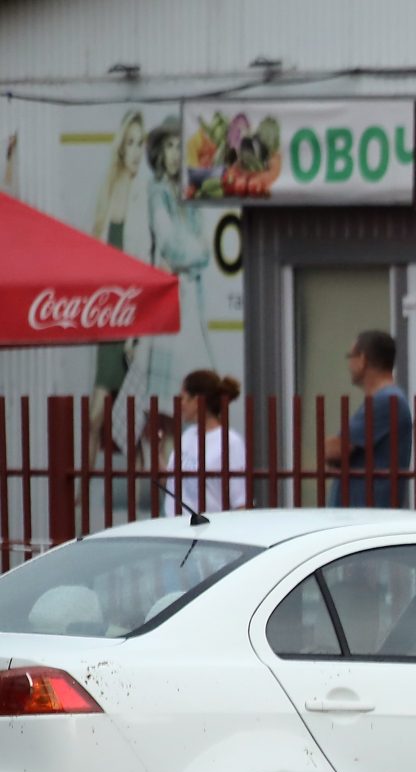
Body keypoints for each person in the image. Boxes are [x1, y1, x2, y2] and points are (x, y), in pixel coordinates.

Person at [132, 119, 218, 407]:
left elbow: (205, 252)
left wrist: (188, 255)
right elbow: (170, 244)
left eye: (180, 147)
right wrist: (189, 253)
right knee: (167, 404)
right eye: (169, 146)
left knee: (195, 395)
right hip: (170, 302)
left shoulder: (189, 193)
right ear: (159, 152)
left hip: (190, 301)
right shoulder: (157, 192)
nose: (174, 154)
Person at [84, 112, 147, 461]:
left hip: (134, 319)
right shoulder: (108, 193)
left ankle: (147, 507)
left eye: (141, 143)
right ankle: (79, 495)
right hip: (111, 317)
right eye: (132, 143)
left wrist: (136, 336)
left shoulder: (144, 193)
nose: (137, 151)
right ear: (121, 148)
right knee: (96, 414)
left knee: (133, 426)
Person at [322, 330, 412, 507]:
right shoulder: (385, 399)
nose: (349, 364)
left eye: (351, 356)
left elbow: (336, 450)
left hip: (364, 514)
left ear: (362, 360)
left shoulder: (385, 400)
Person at [159, 370, 249, 516]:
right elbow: (170, 484)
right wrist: (158, 452)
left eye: (183, 398)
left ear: (196, 401)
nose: (179, 404)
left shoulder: (230, 442)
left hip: (208, 530)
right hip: (174, 528)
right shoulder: (187, 436)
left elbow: (240, 502)